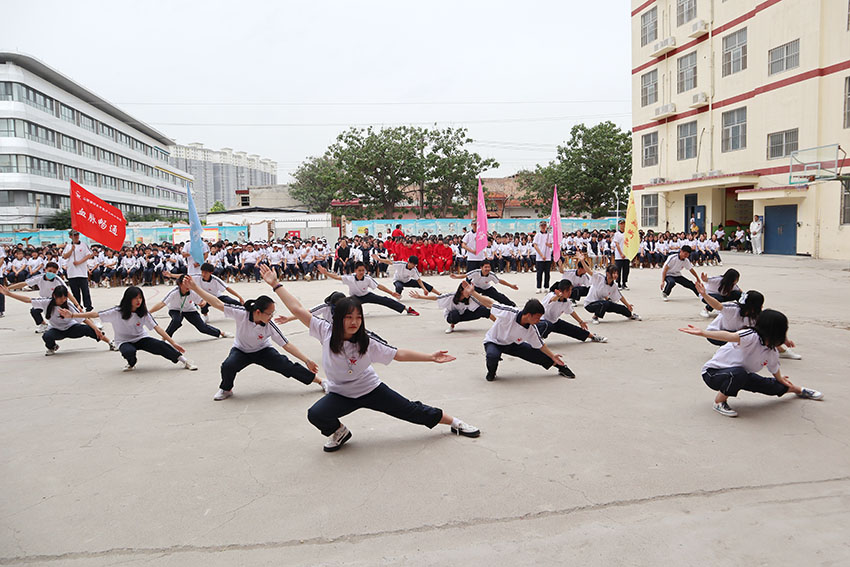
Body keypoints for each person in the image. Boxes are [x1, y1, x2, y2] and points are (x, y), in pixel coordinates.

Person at [257, 264, 479, 452]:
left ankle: (454, 422)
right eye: (348, 317)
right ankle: (339, 432)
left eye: (358, 317)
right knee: (316, 414)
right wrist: (276, 285)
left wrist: (430, 357)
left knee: (412, 410)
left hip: (370, 389)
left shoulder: (367, 340)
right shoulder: (325, 330)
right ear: (337, 318)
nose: (354, 322)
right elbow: (297, 308)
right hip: (341, 393)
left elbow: (398, 354)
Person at [185, 276, 324, 401]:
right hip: (241, 350)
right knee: (228, 366)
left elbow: (286, 345)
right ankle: (226, 389)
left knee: (287, 366)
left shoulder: (270, 325)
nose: (271, 317)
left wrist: (307, 360)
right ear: (258, 312)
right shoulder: (241, 313)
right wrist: (195, 288)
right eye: (269, 313)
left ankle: (320, 381)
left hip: (263, 351)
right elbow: (217, 303)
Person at [679, 310, 823, 418]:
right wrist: (703, 333)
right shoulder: (750, 336)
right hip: (714, 374)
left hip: (740, 375)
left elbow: (775, 369)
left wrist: (781, 381)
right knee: (738, 374)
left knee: (773, 385)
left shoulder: (771, 350)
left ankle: (800, 391)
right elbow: (730, 336)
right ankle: (719, 402)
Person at [60, 286, 198, 372]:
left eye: (140, 298)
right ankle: (131, 363)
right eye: (135, 298)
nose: (138, 301)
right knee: (129, 352)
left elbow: (158, 328)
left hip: (141, 338)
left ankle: (184, 361)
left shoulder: (143, 312)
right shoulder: (117, 311)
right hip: (123, 341)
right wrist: (72, 315)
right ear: (128, 299)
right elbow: (95, 314)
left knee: (161, 346)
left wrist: (173, 343)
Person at [465, 284, 574, 380]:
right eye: (537, 318)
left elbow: (540, 345)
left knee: (536, 354)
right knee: (492, 356)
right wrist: (473, 292)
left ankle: (560, 367)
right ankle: (492, 372)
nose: (539, 321)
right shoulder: (509, 312)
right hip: (494, 341)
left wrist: (553, 356)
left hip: (512, 344)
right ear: (528, 315)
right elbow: (490, 304)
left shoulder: (531, 328)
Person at [0, 284, 114, 356]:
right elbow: (27, 300)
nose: (63, 300)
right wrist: (9, 294)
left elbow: (83, 318)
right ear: (54, 296)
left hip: (71, 328)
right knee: (46, 336)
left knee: (89, 330)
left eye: (65, 297)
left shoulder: (68, 304)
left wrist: (95, 329)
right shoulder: (46, 302)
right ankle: (53, 347)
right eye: (60, 298)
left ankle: (110, 343)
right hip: (56, 330)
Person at [318, 262, 420, 316]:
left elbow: (379, 286)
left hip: (367, 295)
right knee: (346, 307)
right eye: (359, 270)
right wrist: (326, 273)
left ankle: (407, 309)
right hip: (355, 298)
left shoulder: (367, 278)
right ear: (355, 271)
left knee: (385, 300)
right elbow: (336, 277)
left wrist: (392, 293)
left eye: (363, 270)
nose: (362, 272)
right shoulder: (349, 278)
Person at [149, 275, 231, 340]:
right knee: (176, 320)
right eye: (185, 283)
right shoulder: (174, 292)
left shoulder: (192, 292)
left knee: (202, 328)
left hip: (190, 310)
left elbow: (201, 301)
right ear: (180, 284)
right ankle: (165, 339)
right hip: (175, 310)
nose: (188, 286)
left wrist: (203, 303)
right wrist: (149, 312)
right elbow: (161, 304)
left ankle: (221, 333)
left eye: (189, 283)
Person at [6, 261, 79, 333]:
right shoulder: (39, 277)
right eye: (50, 271)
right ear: (45, 270)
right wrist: (8, 288)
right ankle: (43, 324)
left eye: (54, 272)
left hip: (56, 301)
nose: (52, 273)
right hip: (44, 300)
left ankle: (65, 325)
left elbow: (68, 293)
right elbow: (24, 283)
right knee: (34, 310)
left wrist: (77, 305)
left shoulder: (58, 280)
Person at [410, 281, 493, 334]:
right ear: (461, 290)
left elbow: (486, 303)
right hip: (451, 316)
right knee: (455, 314)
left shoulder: (470, 298)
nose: (469, 293)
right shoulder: (451, 295)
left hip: (464, 314)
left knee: (484, 310)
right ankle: (452, 326)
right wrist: (420, 296)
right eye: (468, 290)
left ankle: (498, 324)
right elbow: (436, 298)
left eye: (471, 291)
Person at [538, 281, 607, 344]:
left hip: (554, 322)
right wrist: (558, 296)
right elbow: (552, 300)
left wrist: (581, 322)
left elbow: (572, 312)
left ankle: (593, 337)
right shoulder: (551, 295)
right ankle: (537, 339)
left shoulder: (567, 302)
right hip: (540, 321)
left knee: (573, 329)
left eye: (570, 290)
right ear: (560, 291)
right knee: (547, 325)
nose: (570, 292)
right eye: (567, 290)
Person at [451, 259, 519, 307]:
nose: (487, 269)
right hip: (475, 288)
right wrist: (456, 276)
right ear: (481, 267)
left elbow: (499, 281)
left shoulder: (491, 274)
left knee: (499, 296)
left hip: (487, 288)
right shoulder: (476, 272)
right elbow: (465, 275)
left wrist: (511, 286)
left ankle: (512, 306)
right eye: (485, 267)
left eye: (489, 267)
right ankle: (458, 305)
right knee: (466, 296)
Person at [374, 255, 440, 296]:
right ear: (409, 262)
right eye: (413, 264)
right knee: (399, 286)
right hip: (397, 280)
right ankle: (398, 295)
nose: (414, 266)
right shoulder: (401, 264)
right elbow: (390, 262)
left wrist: (424, 289)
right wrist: (380, 260)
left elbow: (419, 280)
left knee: (424, 284)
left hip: (407, 281)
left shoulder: (414, 269)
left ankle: (439, 293)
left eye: (415, 265)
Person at [62, 230, 94, 311]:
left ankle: (88, 306)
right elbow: (65, 256)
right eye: (74, 235)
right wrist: (71, 250)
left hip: (82, 272)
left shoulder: (83, 245)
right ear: (70, 237)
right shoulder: (68, 246)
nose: (76, 236)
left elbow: (89, 255)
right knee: (75, 291)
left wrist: (79, 262)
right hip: (72, 272)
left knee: (85, 290)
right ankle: (77, 306)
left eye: (77, 235)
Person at [532, 221, 553, 293]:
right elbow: (535, 245)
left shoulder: (549, 235)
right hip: (539, 257)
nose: (543, 227)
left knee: (547, 273)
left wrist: (549, 245)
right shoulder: (537, 235)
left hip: (548, 257)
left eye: (544, 225)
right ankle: (538, 287)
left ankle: (546, 286)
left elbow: (552, 245)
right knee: (539, 273)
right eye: (542, 225)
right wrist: (541, 255)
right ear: (540, 226)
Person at [612, 220, 629, 290]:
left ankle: (624, 283)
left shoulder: (627, 233)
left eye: (624, 224)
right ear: (619, 225)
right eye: (621, 224)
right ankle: (618, 283)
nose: (623, 225)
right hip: (619, 256)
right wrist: (621, 253)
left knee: (626, 270)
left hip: (626, 255)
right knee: (618, 270)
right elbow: (617, 244)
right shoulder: (617, 234)